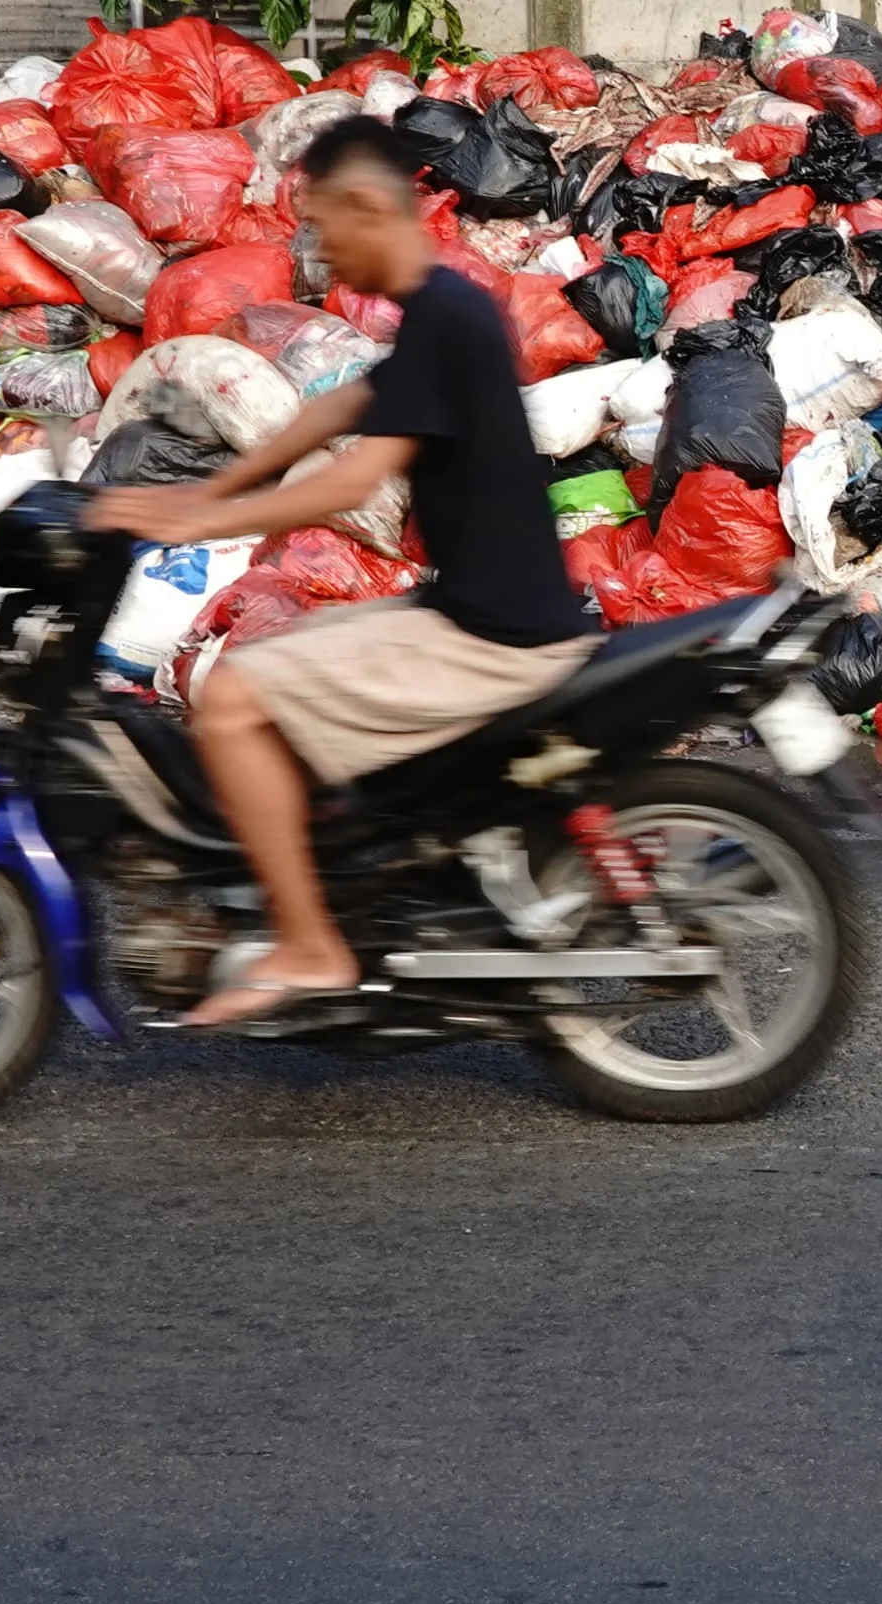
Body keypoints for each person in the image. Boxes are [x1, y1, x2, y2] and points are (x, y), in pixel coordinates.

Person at [88, 113, 598, 1027]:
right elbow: (333, 414)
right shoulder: (441, 310)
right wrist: (208, 494)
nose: (315, 248)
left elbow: (352, 478)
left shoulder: (448, 314)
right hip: (474, 613)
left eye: (321, 224)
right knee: (297, 656)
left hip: (491, 638)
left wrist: (202, 516)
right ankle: (346, 884)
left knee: (235, 694)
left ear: (368, 205)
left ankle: (312, 945)